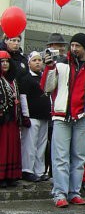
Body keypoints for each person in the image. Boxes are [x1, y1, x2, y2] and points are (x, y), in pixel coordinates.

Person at [41, 33, 85, 207]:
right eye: (72, 45)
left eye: (78, 45)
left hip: (83, 118)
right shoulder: (60, 64)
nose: (74, 48)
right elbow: (47, 87)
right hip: (62, 117)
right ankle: (60, 193)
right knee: (60, 157)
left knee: (79, 157)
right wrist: (49, 68)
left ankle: (74, 192)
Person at [19, 51, 51, 182]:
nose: (38, 62)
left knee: (41, 145)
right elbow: (23, 98)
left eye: (39, 60)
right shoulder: (26, 79)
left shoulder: (45, 77)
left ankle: (39, 170)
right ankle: (27, 170)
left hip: (44, 116)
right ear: (29, 63)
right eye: (34, 60)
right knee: (29, 145)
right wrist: (25, 115)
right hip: (32, 117)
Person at [0, 51, 22, 187]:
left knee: (12, 147)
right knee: (2, 147)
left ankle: (10, 175)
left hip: (13, 119)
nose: (5, 64)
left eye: (7, 61)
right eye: (2, 61)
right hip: (2, 120)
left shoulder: (12, 80)